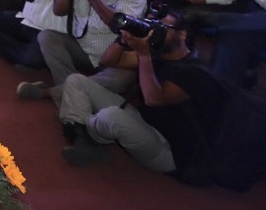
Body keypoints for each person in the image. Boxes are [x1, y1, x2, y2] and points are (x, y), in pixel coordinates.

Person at [57, 11, 224, 180]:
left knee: (112, 115)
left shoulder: (196, 72)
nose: (157, 31)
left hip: (169, 150)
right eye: (155, 26)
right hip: (145, 123)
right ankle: (85, 140)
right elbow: (109, 61)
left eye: (164, 28)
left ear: (182, 33)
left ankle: (83, 129)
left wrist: (144, 56)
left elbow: (154, 99)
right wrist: (124, 40)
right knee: (76, 81)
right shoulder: (159, 55)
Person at [17, 0, 144, 104]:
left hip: (115, 59)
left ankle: (49, 93)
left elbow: (118, 25)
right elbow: (59, 10)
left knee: (118, 81)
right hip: (84, 50)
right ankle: (70, 91)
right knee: (47, 36)